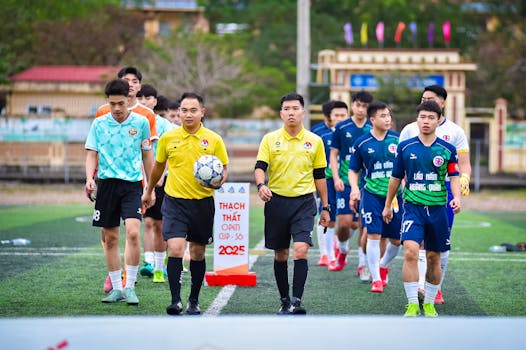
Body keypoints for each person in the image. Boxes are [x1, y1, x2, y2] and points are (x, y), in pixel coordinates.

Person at [142, 92, 229, 316]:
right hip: (174, 202)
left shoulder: (214, 139)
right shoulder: (169, 138)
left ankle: (193, 300)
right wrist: (149, 191)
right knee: (176, 248)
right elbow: (158, 167)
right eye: (183, 110)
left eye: (192, 110)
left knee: (198, 253)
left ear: (202, 112)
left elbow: (223, 168)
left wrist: (218, 182)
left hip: (202, 203)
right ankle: (175, 300)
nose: (187, 114)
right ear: (178, 113)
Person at [382, 100, 461, 317]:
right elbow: (396, 177)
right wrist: (388, 205)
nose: (426, 121)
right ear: (417, 119)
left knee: (434, 257)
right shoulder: (405, 147)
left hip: (437, 210)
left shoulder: (448, 149)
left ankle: (428, 302)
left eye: (431, 118)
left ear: (438, 120)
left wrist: (457, 198)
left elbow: (454, 176)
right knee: (410, 252)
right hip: (413, 209)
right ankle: (411, 303)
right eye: (422, 117)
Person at [254, 93, 330, 315]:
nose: (291, 112)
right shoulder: (270, 139)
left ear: (303, 112)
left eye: (295, 108)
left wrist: (325, 207)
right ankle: (284, 299)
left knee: (300, 250)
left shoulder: (315, 141)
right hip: (277, 202)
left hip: (304, 202)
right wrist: (261, 186)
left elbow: (320, 176)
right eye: (286, 108)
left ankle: (296, 301)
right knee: (281, 254)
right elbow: (260, 167)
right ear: (281, 113)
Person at [399, 85, 471, 304]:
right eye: (422, 98)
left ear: (443, 103)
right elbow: (399, 165)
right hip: (417, 188)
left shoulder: (456, 132)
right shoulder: (410, 130)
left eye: (430, 99)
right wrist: (403, 187)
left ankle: (436, 287)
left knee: (440, 243)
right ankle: (420, 287)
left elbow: (464, 165)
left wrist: (464, 181)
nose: (425, 101)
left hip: (445, 189)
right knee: (416, 243)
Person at [85, 79, 154, 305]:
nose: (116, 108)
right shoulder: (99, 124)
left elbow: (147, 155)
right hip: (106, 185)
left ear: (129, 100)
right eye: (112, 103)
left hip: (132, 185)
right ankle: (116, 288)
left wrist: (150, 187)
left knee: (133, 232)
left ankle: (130, 287)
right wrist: (89, 179)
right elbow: (91, 153)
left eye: (121, 103)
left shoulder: (141, 123)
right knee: (111, 238)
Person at [348, 101, 402, 293]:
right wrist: (354, 188)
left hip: (396, 197)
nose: (388, 119)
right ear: (372, 120)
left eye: (389, 115)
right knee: (373, 235)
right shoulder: (362, 143)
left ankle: (383, 264)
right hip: (371, 195)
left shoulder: (398, 140)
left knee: (397, 240)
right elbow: (353, 170)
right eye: (383, 116)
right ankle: (376, 279)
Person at [329, 90, 373, 278]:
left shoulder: (374, 126)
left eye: (365, 106)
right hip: (346, 183)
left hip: (368, 184)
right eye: (358, 105)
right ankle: (343, 250)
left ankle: (363, 265)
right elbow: (333, 154)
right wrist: (337, 177)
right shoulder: (342, 127)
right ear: (352, 105)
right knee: (345, 224)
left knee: (364, 225)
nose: (361, 109)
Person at [136, 85, 174, 282]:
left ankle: (160, 268)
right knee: (146, 223)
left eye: (148, 97)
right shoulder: (131, 121)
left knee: (159, 224)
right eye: (140, 97)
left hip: (160, 181)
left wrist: (160, 175)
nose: (143, 100)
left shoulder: (164, 125)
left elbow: (168, 151)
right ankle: (148, 262)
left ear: (155, 101)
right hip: (137, 179)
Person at [311, 101, 347, 268]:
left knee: (351, 221)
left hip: (347, 180)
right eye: (335, 115)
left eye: (342, 115)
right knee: (325, 213)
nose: (339, 118)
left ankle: (340, 248)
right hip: (326, 180)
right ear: (329, 117)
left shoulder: (351, 133)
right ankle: (326, 254)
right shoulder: (319, 133)